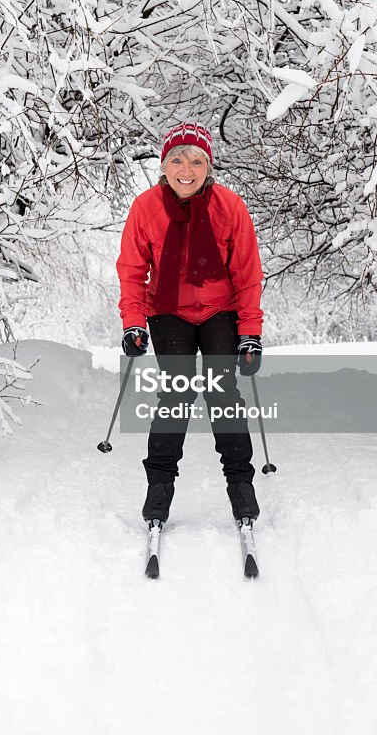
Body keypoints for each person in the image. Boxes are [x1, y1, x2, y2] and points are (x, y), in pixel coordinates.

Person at [116, 121, 264, 525]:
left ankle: (241, 488)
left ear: (208, 165)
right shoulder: (146, 207)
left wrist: (250, 333)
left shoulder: (229, 207)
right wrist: (133, 323)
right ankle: (159, 492)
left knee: (223, 396)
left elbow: (248, 273)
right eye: (177, 159)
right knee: (176, 396)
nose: (187, 168)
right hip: (167, 311)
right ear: (164, 166)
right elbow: (132, 270)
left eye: (196, 160)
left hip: (221, 311)